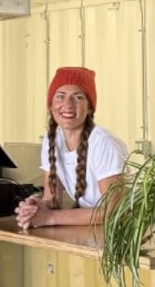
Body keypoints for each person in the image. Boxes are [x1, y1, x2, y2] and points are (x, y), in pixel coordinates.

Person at [14, 66, 128, 229]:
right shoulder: (51, 139)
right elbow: (52, 200)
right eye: (60, 96)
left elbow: (113, 211)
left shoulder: (103, 143)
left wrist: (50, 217)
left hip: (124, 232)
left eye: (78, 97)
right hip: (93, 229)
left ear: (89, 108)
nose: (68, 104)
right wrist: (35, 208)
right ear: (51, 105)